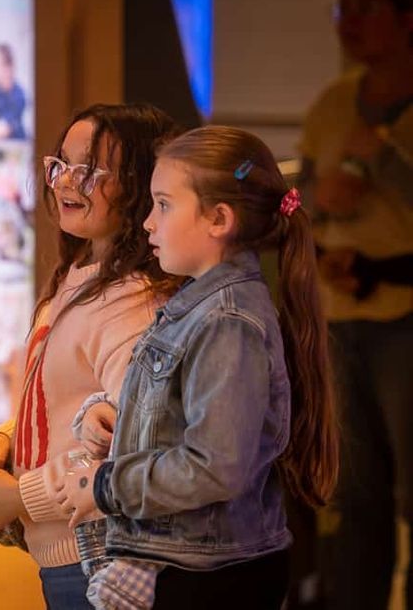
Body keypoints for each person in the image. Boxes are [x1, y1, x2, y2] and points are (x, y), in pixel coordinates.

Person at [58, 125, 340, 609]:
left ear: (219, 219)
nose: (148, 223)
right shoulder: (198, 304)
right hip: (191, 567)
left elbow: (216, 467)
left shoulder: (229, 320)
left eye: (163, 204)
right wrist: (120, 417)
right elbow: (184, 410)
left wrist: (106, 485)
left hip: (208, 577)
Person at [0, 104, 182, 609]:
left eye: (91, 170)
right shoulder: (77, 275)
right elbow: (68, 401)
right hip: (68, 558)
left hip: (102, 560)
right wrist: (9, 440)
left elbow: (133, 450)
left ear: (141, 183)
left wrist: (21, 497)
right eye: (60, 163)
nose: (66, 180)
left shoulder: (136, 301)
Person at [297, 0, 413, 609]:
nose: (351, 21)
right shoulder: (334, 101)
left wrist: (381, 161)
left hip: (406, 311)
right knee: (355, 490)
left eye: (367, 7)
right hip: (340, 308)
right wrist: (319, 241)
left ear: (406, 19)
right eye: (343, 8)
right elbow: (306, 195)